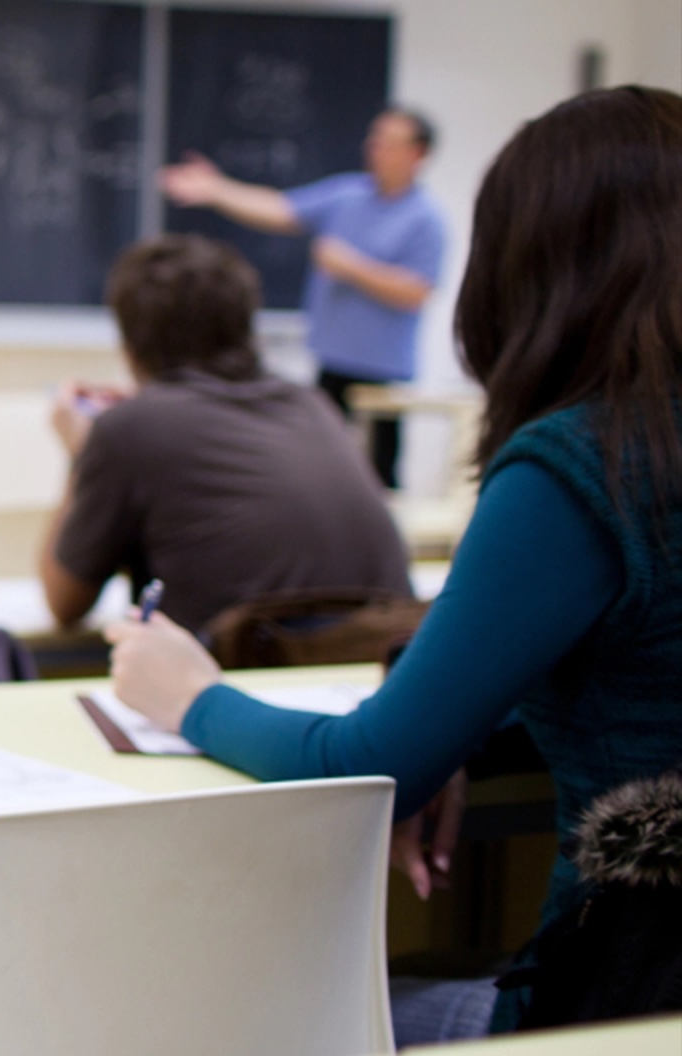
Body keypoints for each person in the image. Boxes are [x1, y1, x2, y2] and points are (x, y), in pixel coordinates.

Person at [110, 85, 682, 1034]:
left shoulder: (581, 467)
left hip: (619, 997)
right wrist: (459, 726)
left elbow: (369, 767)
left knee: (271, 1016)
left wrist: (188, 694)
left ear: (533, 265)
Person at [41, 234, 411, 635]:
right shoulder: (312, 405)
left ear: (129, 345)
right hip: (374, 673)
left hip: (244, 680)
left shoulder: (129, 429)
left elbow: (64, 603)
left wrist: (82, 456)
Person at [160, 108, 448, 487]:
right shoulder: (348, 194)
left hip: (383, 375)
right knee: (322, 469)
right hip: (332, 362)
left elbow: (417, 291)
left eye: (389, 143)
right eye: (374, 139)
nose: (375, 149)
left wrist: (352, 267)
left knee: (378, 478)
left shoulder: (425, 219)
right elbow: (280, 208)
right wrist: (218, 190)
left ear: (418, 154)